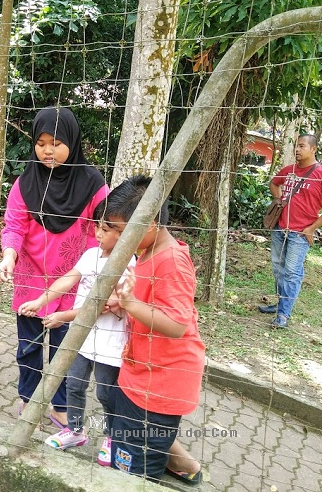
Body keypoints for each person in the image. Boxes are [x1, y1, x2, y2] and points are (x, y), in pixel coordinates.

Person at [0, 106, 108, 429]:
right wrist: (8, 255)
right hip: (31, 278)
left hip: (74, 281)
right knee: (28, 347)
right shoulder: (25, 182)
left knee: (66, 348)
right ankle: (29, 399)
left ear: (72, 142)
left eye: (56, 143)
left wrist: (94, 268)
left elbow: (103, 228)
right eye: (41, 142)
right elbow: (14, 225)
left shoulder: (93, 183)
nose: (48, 150)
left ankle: (60, 406)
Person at [18, 191, 134, 465]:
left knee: (106, 392)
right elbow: (66, 280)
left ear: (126, 234)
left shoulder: (129, 265)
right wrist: (41, 300)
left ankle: (111, 437)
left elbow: (103, 305)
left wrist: (64, 316)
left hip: (110, 343)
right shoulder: (91, 254)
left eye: (107, 229)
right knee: (74, 385)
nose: (99, 233)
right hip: (82, 337)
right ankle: (75, 430)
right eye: (97, 226)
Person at [108, 175, 205, 485]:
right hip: (142, 373)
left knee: (134, 469)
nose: (118, 240)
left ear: (149, 224)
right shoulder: (147, 252)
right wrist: (125, 304)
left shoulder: (173, 261)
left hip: (161, 382)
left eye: (122, 232)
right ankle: (181, 465)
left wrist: (132, 304)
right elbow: (152, 302)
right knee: (132, 440)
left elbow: (177, 324)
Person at [258, 134, 322, 328]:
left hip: (300, 234)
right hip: (280, 228)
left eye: (302, 146)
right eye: (296, 146)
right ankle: (280, 304)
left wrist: (312, 228)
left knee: (292, 273)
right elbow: (273, 183)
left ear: (313, 149)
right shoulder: (289, 170)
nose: (297, 149)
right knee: (278, 268)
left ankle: (284, 315)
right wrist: (281, 201)